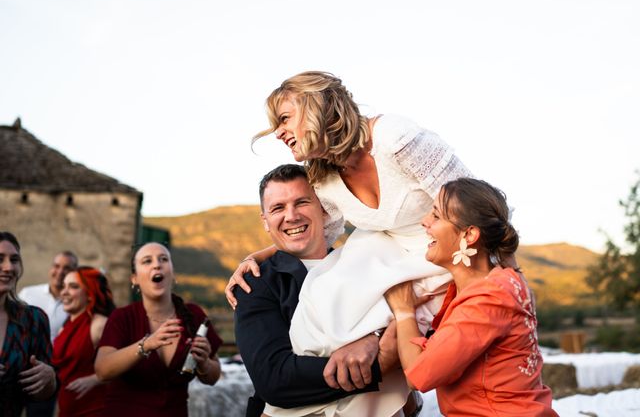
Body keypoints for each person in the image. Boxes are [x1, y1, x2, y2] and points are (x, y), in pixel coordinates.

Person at [227, 71, 472, 360]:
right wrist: (256, 258)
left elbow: (475, 207)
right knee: (321, 294)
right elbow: (324, 233)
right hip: (391, 258)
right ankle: (304, 391)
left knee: (381, 334)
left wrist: (501, 280)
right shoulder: (323, 178)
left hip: (445, 257)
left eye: (284, 119)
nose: (278, 132)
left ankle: (392, 391)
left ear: (319, 107)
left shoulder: (393, 138)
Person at [235, 164, 415, 417]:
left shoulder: (364, 263)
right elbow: (274, 380)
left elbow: (410, 311)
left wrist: (374, 337)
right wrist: (379, 364)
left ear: (324, 209)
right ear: (265, 221)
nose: (292, 215)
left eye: (302, 202)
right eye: (278, 208)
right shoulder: (255, 283)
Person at [384, 178, 558, 416]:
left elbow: (418, 374)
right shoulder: (505, 282)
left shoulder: (487, 300)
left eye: (436, 216)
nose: (424, 221)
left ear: (469, 234)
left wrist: (404, 311)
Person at [94, 242, 222, 417]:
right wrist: (145, 345)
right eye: (147, 261)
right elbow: (102, 371)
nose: (156, 264)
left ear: (173, 272)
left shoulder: (194, 315)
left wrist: (204, 363)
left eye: (163, 259)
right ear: (134, 279)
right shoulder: (122, 318)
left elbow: (213, 377)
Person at [0, 231, 57, 417]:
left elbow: (42, 395)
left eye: (14, 260)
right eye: (0, 259)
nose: (8, 267)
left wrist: (50, 379)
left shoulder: (33, 319)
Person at [53, 266, 116, 416]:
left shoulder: (99, 324)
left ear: (89, 293)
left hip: (95, 408)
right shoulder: (65, 327)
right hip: (67, 409)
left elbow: (126, 364)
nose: (64, 292)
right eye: (63, 286)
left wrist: (95, 379)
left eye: (73, 287)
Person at [19, 250, 78, 341]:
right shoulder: (27, 293)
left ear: (74, 272)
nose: (60, 272)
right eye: (56, 266)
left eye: (66, 268)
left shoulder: (76, 303)